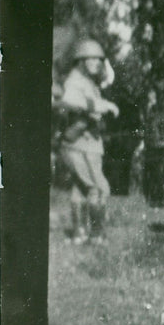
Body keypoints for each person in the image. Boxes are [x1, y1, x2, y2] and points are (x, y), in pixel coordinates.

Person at [58, 39, 119, 244]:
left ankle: (79, 233)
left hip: (86, 143)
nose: (97, 62)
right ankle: (97, 235)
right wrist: (100, 106)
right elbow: (69, 100)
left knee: (80, 188)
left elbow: (107, 77)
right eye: (91, 58)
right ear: (81, 60)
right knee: (98, 188)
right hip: (78, 144)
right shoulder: (74, 81)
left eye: (99, 59)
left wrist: (104, 104)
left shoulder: (88, 82)